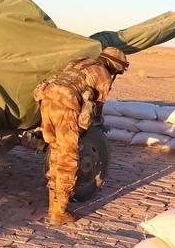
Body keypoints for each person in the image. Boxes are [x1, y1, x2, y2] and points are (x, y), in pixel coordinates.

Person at [33, 47, 129, 225]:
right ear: (115, 67)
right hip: (66, 106)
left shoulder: (80, 62)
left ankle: (53, 205)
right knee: (68, 160)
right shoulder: (103, 74)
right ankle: (58, 213)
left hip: (47, 101)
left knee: (56, 153)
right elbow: (98, 108)